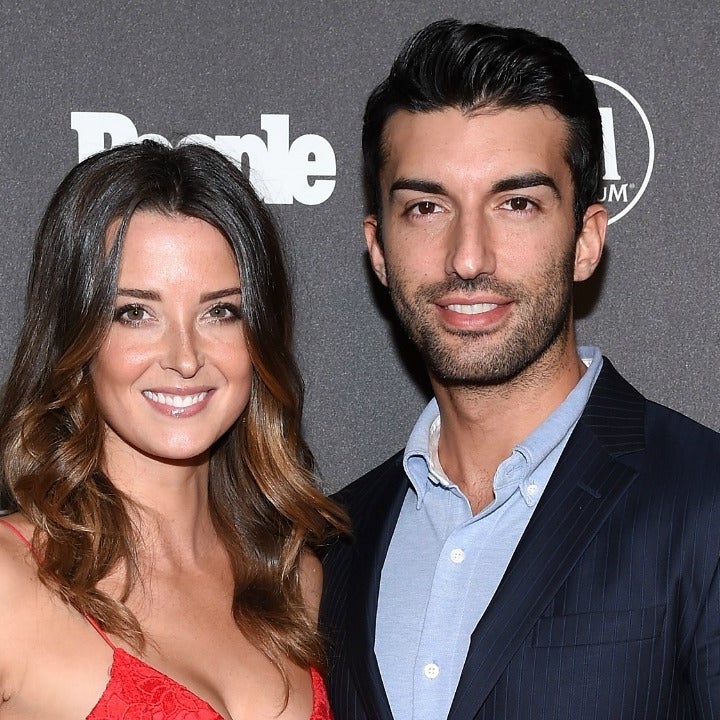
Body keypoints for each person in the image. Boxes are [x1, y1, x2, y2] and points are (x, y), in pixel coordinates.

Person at [319, 18, 720, 720]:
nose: (468, 257)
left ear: (586, 240)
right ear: (379, 250)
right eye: (426, 208)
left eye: (516, 204)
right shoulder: (331, 544)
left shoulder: (704, 501)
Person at [0, 140, 346, 719]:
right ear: (75, 335)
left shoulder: (296, 581)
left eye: (220, 312)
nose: (185, 358)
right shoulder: (9, 581)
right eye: (135, 312)